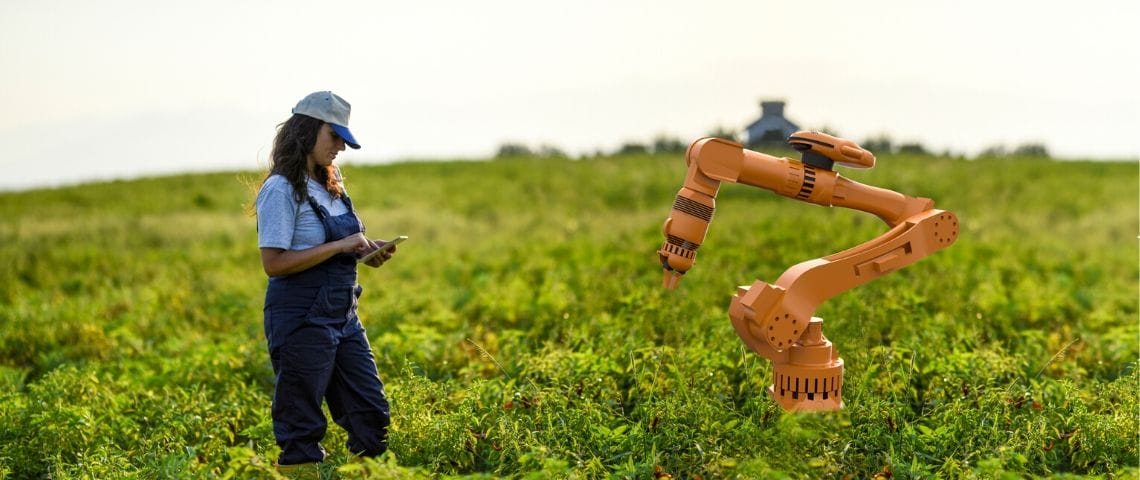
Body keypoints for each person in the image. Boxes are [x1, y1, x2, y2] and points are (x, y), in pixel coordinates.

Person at [255, 91, 394, 475]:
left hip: (342, 314)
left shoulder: (333, 186)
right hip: (300, 316)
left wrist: (368, 250)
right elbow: (274, 263)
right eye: (333, 137)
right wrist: (339, 246)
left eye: (343, 140)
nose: (340, 148)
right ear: (306, 131)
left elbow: (342, 246)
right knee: (301, 427)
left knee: (371, 415)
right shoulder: (281, 189)